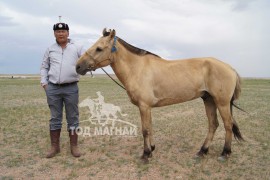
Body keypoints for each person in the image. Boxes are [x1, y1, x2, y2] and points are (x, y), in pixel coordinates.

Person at [40, 22, 84, 158]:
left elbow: (85, 61)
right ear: (54, 34)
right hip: (53, 88)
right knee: (55, 118)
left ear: (68, 33)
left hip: (71, 87)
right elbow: (44, 67)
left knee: (73, 118)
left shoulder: (77, 47)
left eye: (63, 31)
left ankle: (74, 146)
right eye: (58, 32)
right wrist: (44, 83)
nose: (61, 34)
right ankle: (55, 147)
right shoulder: (50, 49)